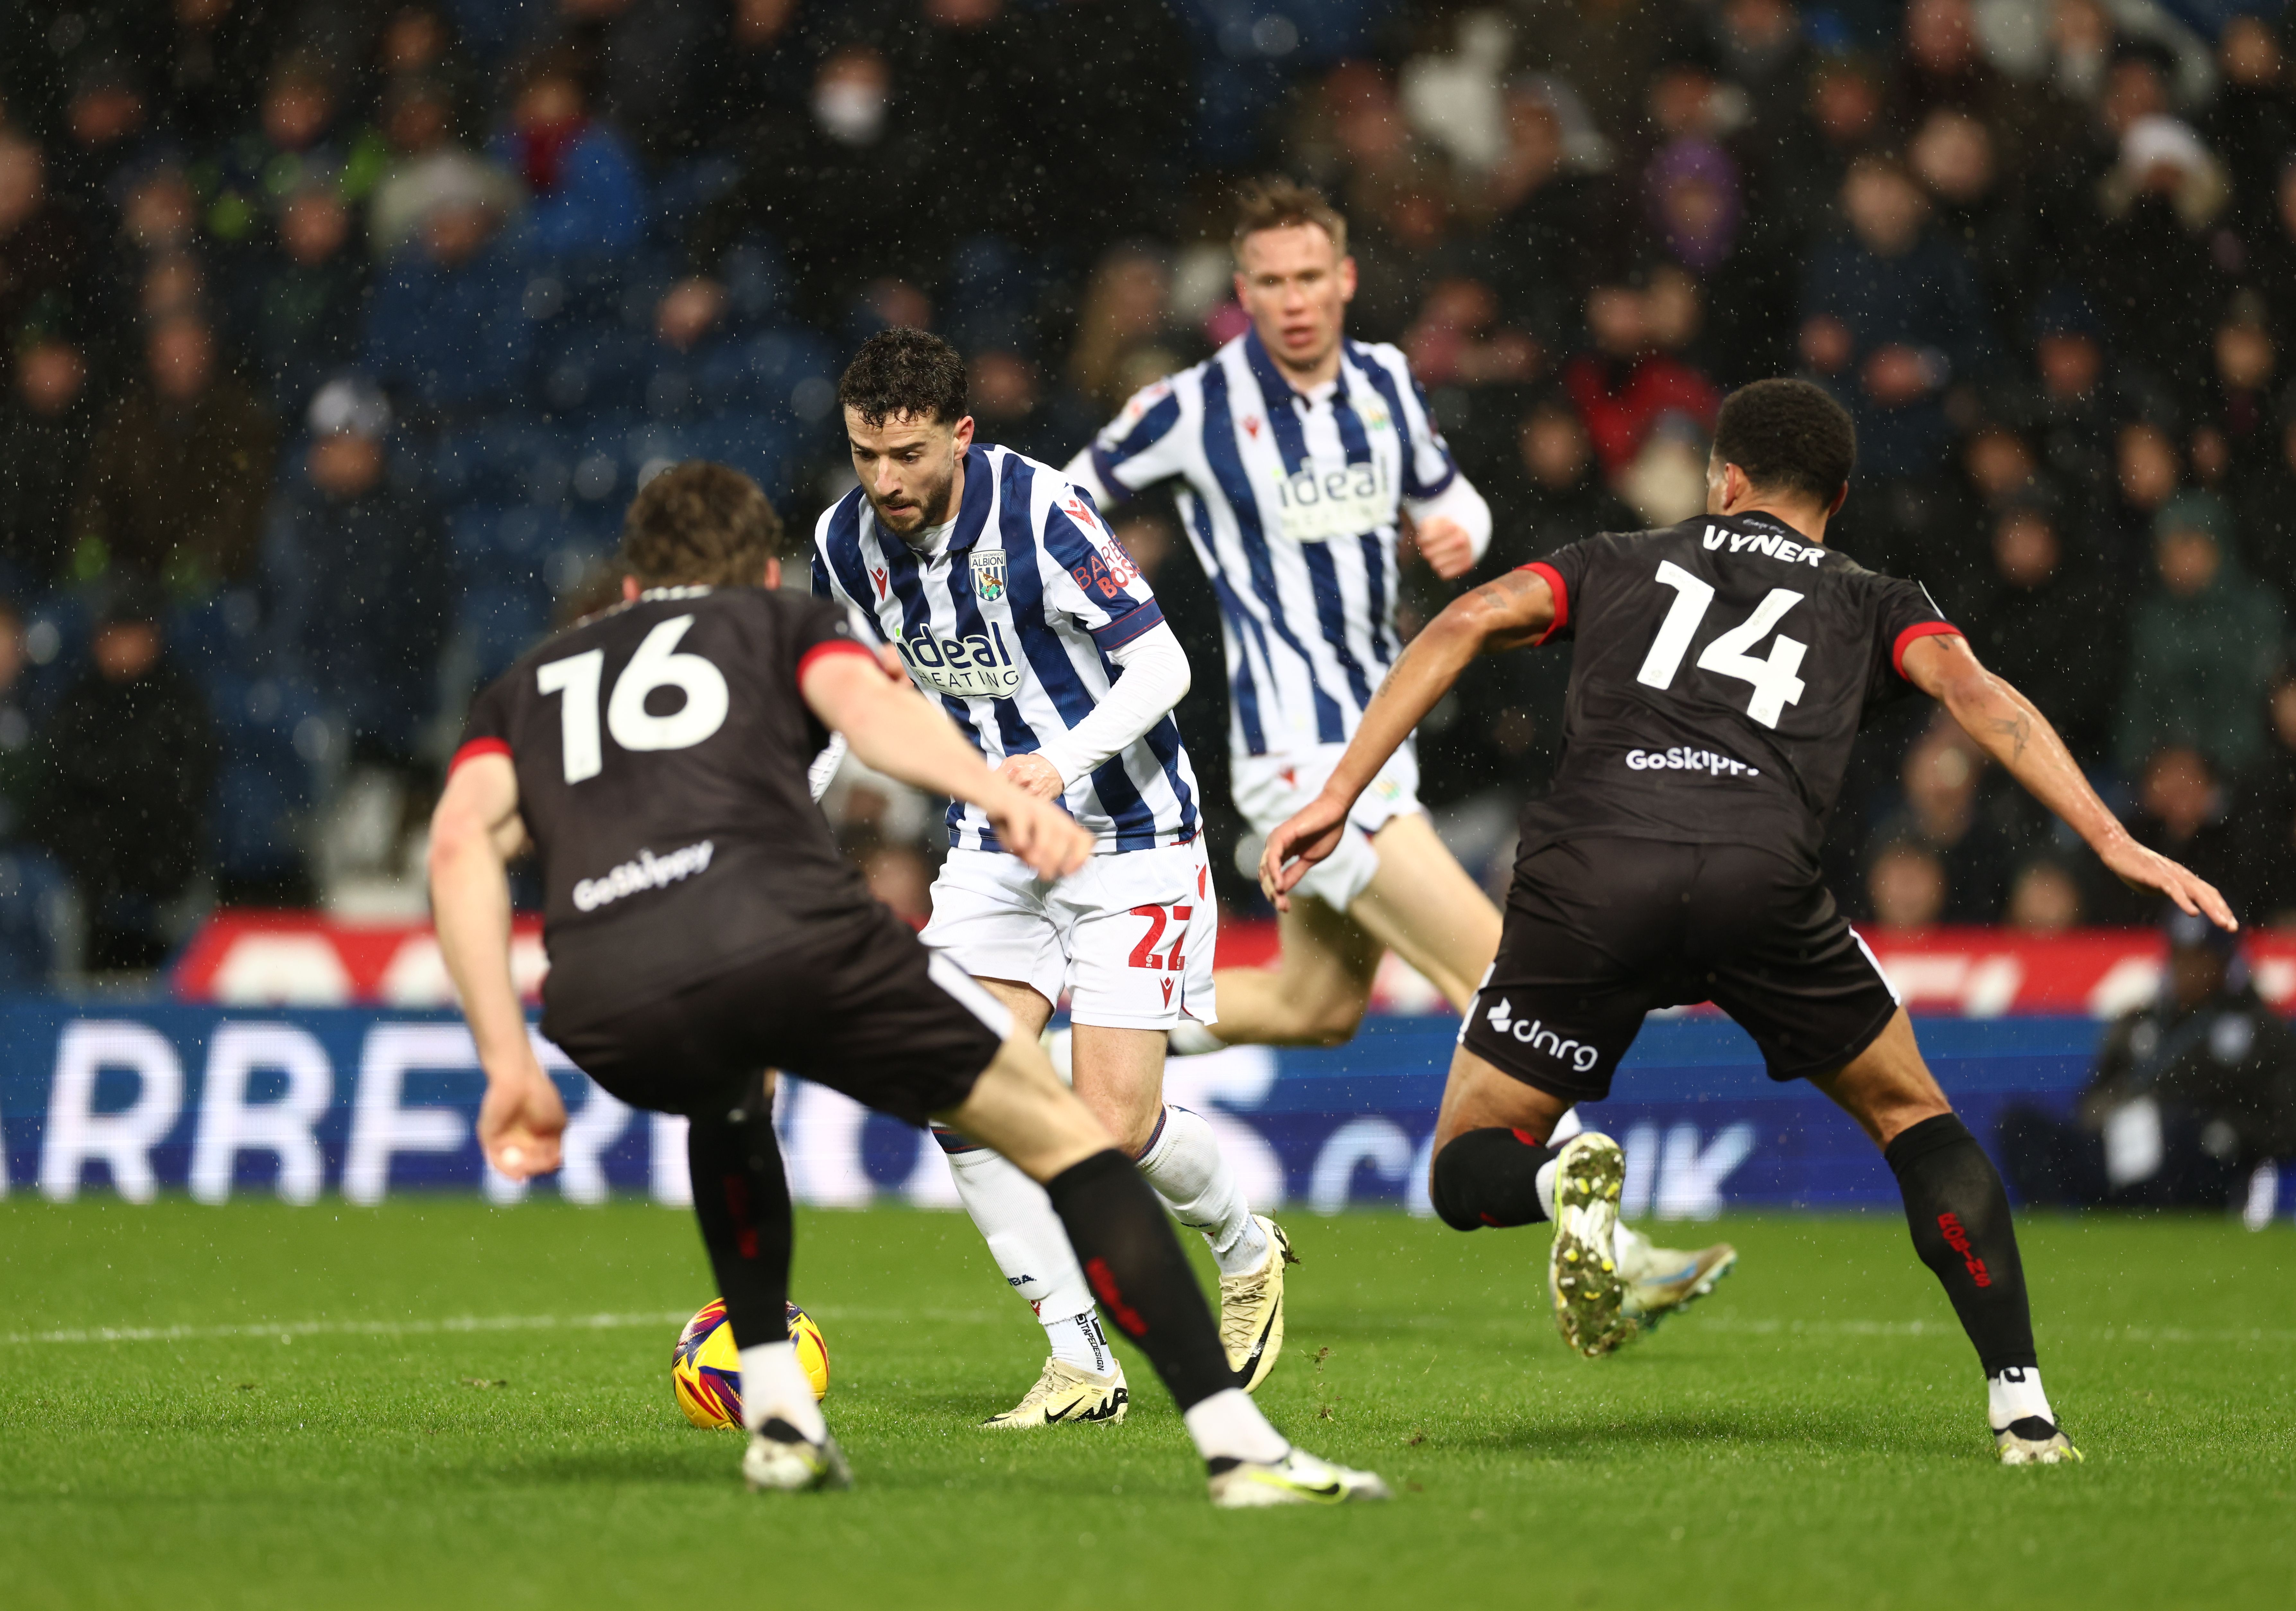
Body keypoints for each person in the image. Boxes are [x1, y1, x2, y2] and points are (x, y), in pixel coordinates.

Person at [1261, 378, 2238, 1466]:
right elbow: (1981, 695)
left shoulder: (1615, 559)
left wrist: (1340, 791)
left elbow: (1467, 618)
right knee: (1915, 1118)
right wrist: (2110, 838)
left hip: (1591, 874)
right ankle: (2024, 1407)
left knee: (1467, 1164)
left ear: (1723, 479)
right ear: (1842, 494)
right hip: (1755, 881)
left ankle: (1553, 1177)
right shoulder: (1878, 596)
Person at [428, 459, 1384, 1507]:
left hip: (607, 992)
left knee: (733, 1103)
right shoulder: (775, 625)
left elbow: (459, 847)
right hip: (789, 935)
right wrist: (995, 793)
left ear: (623, 590)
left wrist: (506, 1058)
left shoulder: (530, 683)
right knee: (1066, 1137)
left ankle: (783, 1416)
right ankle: (1238, 1447)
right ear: (760, 572)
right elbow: (872, 712)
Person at [1065, 177, 1734, 1337]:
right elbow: (1063, 509)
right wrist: (1100, 617)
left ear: (1345, 279)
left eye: (1308, 277)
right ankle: (1604, 1255)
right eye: (1267, 282)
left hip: (1387, 749)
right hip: (1300, 764)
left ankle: (1076, 1023)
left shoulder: (1381, 383)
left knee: (1317, 1004)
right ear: (1242, 293)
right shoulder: (1195, 406)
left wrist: (1453, 533)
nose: (1291, 301)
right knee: (1512, 976)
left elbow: (1458, 507)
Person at [811, 329, 1291, 1429]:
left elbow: (1163, 662)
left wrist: (1059, 762)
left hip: (1131, 836)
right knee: (953, 1083)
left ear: (962, 436)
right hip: (992, 847)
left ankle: (1245, 1246)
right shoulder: (845, 541)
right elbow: (844, 687)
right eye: (865, 455)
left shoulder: (1042, 511)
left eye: (911, 456)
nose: (886, 481)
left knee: (1113, 1124)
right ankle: (1080, 1358)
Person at [2001, 909, 2296, 1211]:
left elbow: (2285, 1129)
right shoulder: (2140, 1021)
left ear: (2225, 962)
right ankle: (2062, 1230)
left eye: (2199, 958)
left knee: (2174, 1133)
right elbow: (2092, 1098)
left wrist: (2221, 1131)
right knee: (2018, 1125)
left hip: (2188, 1164)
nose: (2187, 970)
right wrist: (2102, 1107)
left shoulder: (2262, 1032)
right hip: (2113, 1146)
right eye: (2179, 957)